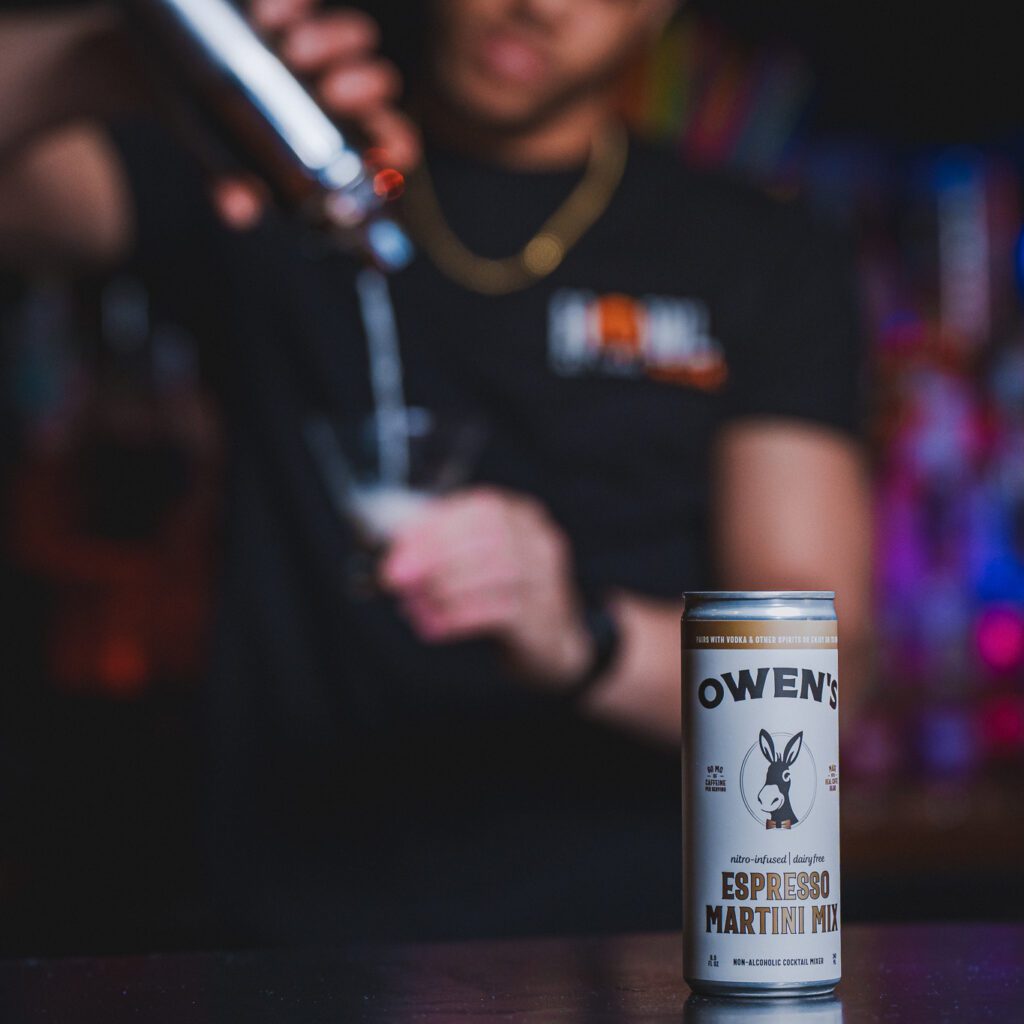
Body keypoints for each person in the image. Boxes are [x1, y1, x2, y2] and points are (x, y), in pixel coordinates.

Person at [0, 0, 871, 944]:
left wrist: (580, 634)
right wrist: (113, 56)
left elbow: (824, 676)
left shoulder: (760, 253)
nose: (536, 5)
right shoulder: (273, 171)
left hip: (629, 948)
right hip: (286, 939)